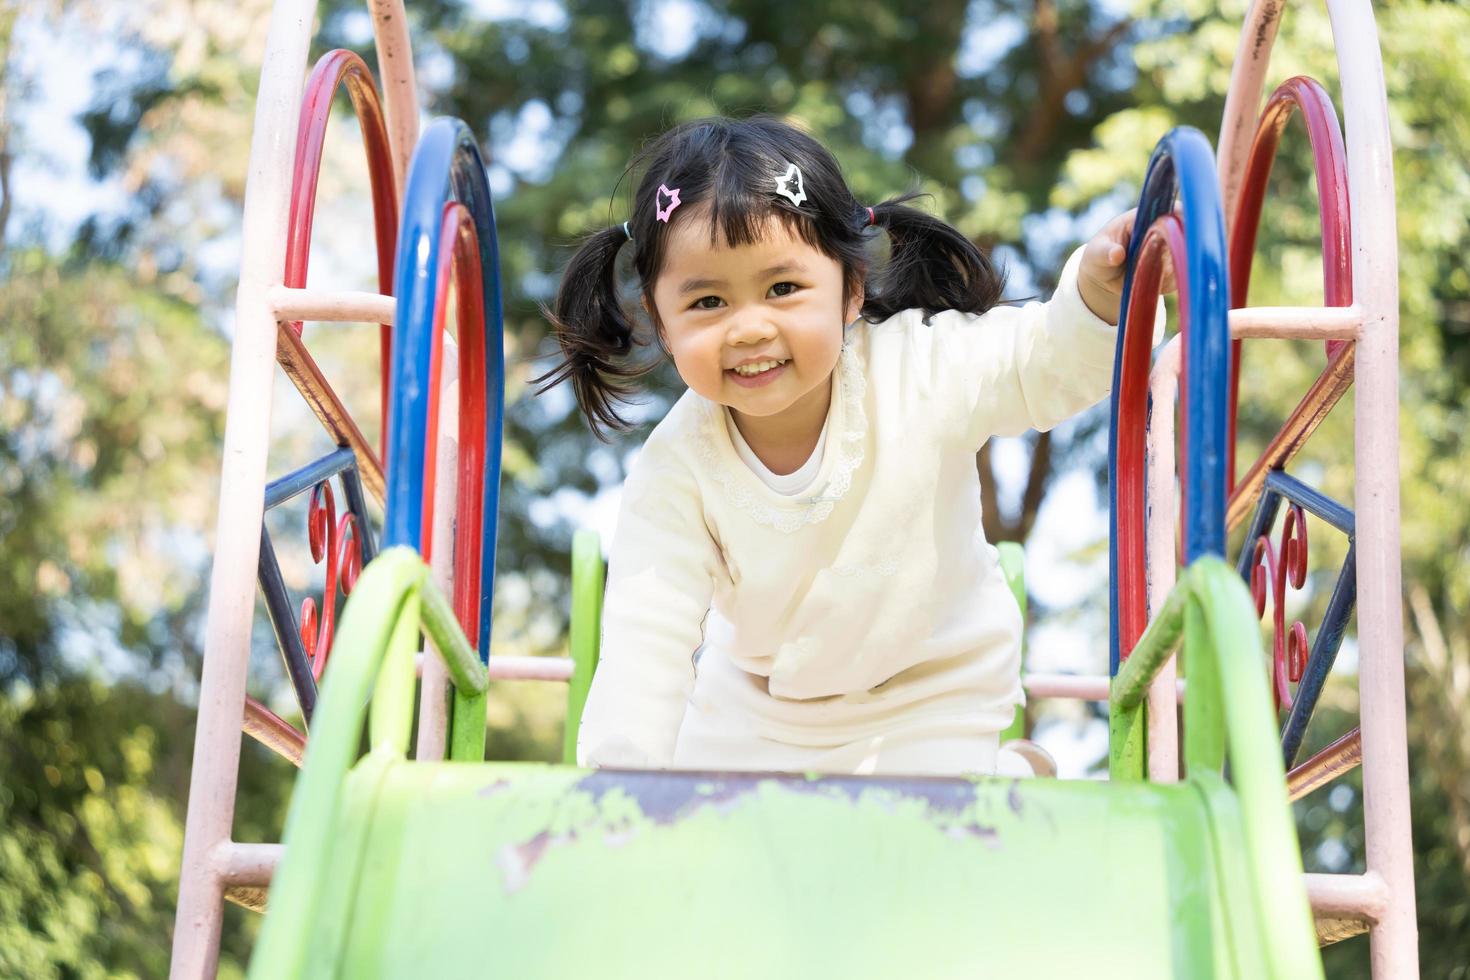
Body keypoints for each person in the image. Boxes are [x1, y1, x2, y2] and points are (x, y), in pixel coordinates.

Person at [534, 114, 1161, 777]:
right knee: (708, 842)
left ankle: (1007, 773)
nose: (749, 328)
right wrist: (622, 778)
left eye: (782, 288)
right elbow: (647, 632)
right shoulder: (678, 465)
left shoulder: (918, 365)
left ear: (850, 289)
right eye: (709, 302)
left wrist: (1095, 297)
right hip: (756, 714)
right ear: (661, 324)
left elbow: (1040, 366)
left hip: (929, 692)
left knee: (917, 844)